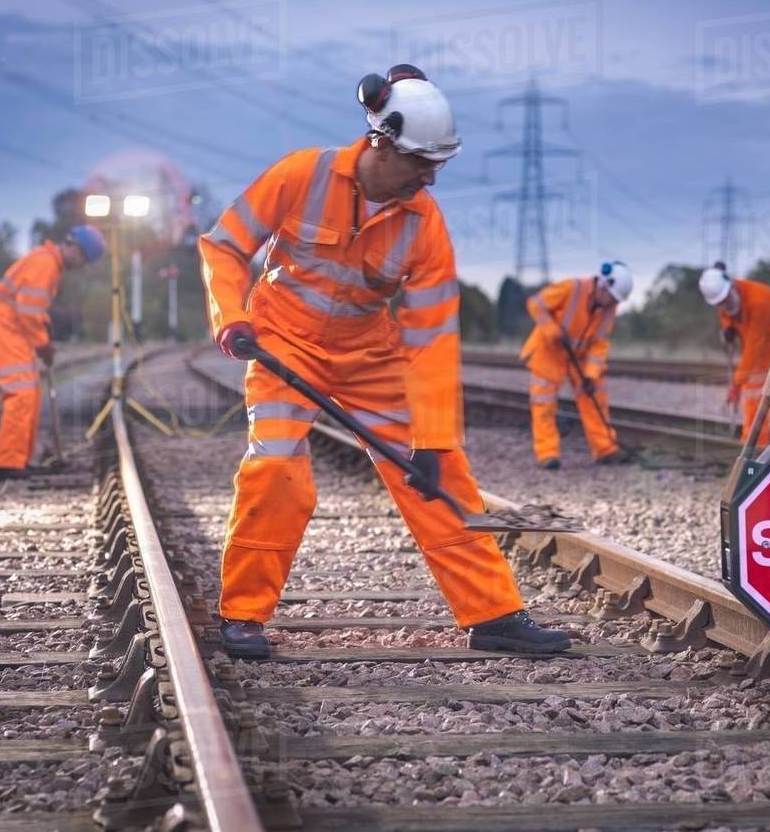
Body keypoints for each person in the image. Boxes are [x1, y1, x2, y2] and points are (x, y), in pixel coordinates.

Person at [198, 64, 570, 659]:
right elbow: (223, 245)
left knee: (439, 472)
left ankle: (493, 614)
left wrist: (432, 437)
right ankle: (242, 616)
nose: (430, 178)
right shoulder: (302, 174)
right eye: (422, 164)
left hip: (369, 355)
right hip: (281, 343)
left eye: (436, 166)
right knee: (276, 467)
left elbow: (431, 338)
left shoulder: (425, 225)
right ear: (381, 141)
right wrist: (231, 317)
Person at [0, 225, 105, 481]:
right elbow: (28, 311)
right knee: (21, 393)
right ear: (75, 249)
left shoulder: (48, 262)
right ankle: (8, 464)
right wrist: (43, 344)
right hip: (5, 326)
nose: (80, 266)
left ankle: (19, 461)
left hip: (13, 326)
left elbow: (33, 309)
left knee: (31, 393)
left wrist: (44, 337)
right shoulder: (45, 264)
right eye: (82, 260)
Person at [520, 262, 634, 469]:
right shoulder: (572, 288)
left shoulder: (609, 307)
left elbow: (600, 342)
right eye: (613, 298)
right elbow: (536, 304)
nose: (613, 304)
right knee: (543, 404)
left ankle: (605, 449)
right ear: (603, 286)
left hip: (580, 356)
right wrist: (552, 330)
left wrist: (591, 375)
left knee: (595, 397)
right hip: (549, 352)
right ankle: (547, 454)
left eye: (617, 301)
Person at [699, 265, 770, 447]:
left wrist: (736, 384)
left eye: (726, 299)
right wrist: (728, 328)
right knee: (753, 391)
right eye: (720, 304)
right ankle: (753, 448)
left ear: (732, 285)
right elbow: (727, 316)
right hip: (766, 345)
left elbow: (753, 346)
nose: (725, 305)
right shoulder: (725, 302)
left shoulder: (759, 301)